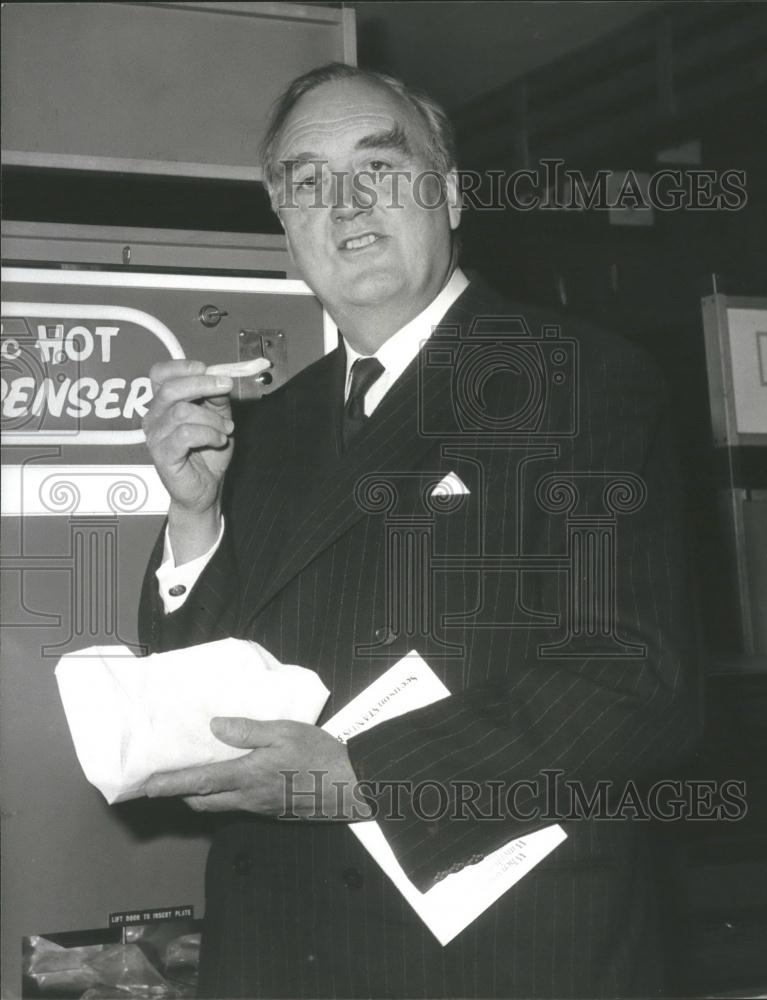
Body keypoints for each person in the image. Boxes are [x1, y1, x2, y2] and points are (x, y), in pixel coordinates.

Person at [138, 62, 699, 999]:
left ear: (451, 192)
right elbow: (200, 703)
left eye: (380, 166)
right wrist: (194, 518)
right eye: (306, 182)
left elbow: (640, 680)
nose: (345, 201)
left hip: (499, 957)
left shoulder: (582, 379)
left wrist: (359, 778)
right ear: (286, 227)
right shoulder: (266, 427)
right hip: (277, 949)